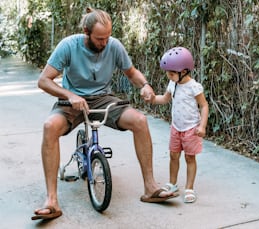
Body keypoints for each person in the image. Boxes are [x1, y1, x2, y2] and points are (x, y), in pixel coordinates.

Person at [31, 8, 177, 221]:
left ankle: (150, 187)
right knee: (49, 127)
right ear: (86, 32)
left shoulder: (114, 45)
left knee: (140, 120)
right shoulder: (69, 46)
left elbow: (132, 72)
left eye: (107, 37)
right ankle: (52, 200)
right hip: (72, 101)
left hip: (103, 99)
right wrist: (69, 95)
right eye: (99, 39)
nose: (104, 43)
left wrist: (144, 85)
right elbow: (43, 80)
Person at [150, 47, 209, 203]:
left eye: (171, 73)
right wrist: (152, 99)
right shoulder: (172, 83)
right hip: (176, 127)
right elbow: (164, 99)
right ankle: (172, 184)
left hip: (191, 129)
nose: (168, 75)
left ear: (183, 71)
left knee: (190, 158)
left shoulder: (194, 87)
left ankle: (189, 188)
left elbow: (204, 106)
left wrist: (202, 126)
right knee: (173, 155)